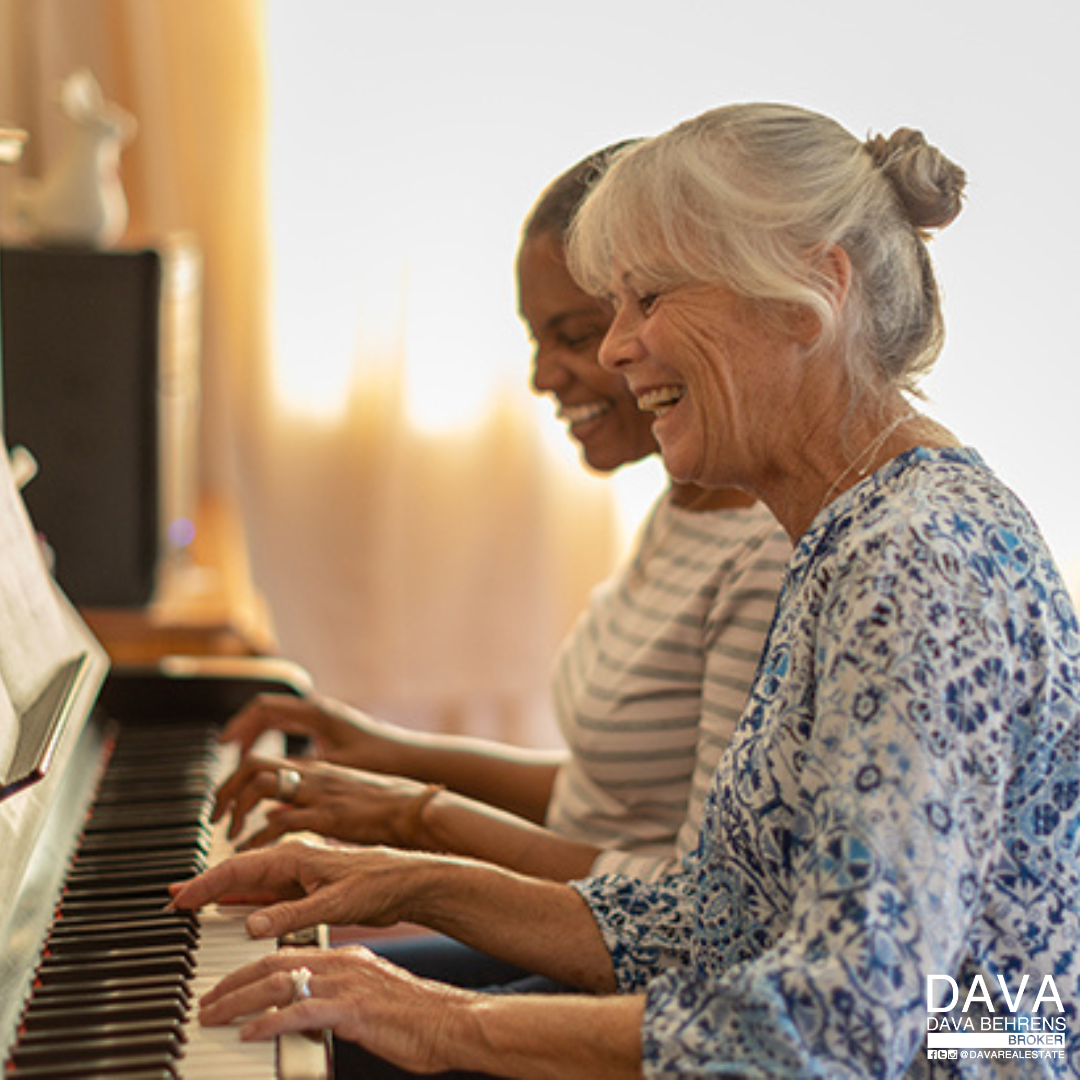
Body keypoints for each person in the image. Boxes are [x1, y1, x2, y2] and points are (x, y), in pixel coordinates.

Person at [171, 103, 1080, 1077]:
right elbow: (720, 918)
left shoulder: (919, 558)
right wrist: (407, 879)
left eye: (648, 299)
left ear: (813, 289)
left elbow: (846, 1026)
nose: (612, 349)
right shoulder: (849, 532)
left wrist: (447, 1022)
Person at [211, 144, 790, 889]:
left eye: (574, 335)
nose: (542, 377)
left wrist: (411, 816)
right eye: (535, 339)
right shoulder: (688, 501)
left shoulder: (762, 559)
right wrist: (387, 750)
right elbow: (599, 802)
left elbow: (696, 903)